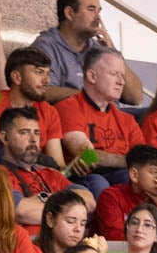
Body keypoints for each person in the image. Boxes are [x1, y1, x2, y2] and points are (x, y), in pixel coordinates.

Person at [32, 0, 142, 104]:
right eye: (91, 9)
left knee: (153, 115)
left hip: (109, 115)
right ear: (69, 13)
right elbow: (44, 91)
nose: (98, 18)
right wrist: (91, 95)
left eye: (99, 11)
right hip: (75, 116)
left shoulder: (99, 48)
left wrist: (113, 52)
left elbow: (135, 98)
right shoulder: (46, 45)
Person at [0, 105, 96, 228]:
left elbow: (89, 201)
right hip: (26, 243)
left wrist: (42, 198)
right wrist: (69, 212)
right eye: (25, 133)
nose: (33, 139)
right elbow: (22, 212)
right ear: (4, 138)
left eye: (37, 133)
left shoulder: (50, 173)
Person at [54, 48, 146, 177]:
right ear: (92, 76)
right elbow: (87, 155)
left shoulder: (127, 120)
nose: (121, 82)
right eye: (114, 74)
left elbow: (144, 160)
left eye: (122, 76)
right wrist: (130, 161)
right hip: (87, 179)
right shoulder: (69, 107)